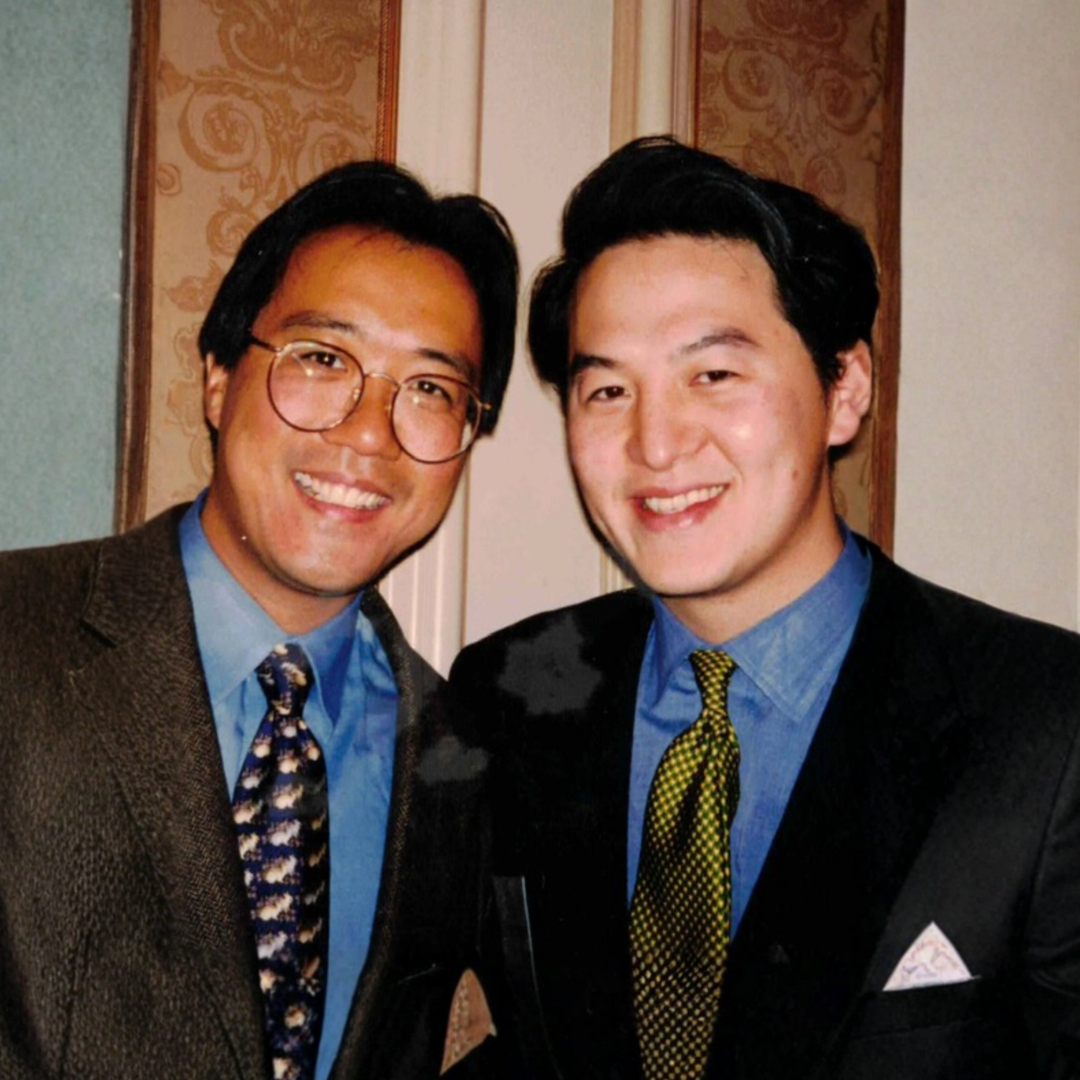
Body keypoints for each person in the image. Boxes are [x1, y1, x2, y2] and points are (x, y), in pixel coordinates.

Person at [450, 136, 1080, 1080]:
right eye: (608, 389)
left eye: (713, 374)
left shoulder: (1048, 722)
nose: (655, 445)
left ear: (844, 390)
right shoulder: (508, 691)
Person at [0, 160, 517, 1080]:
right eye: (323, 360)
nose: (368, 433)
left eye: (431, 391)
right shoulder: (15, 639)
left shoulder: (462, 761)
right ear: (216, 376)